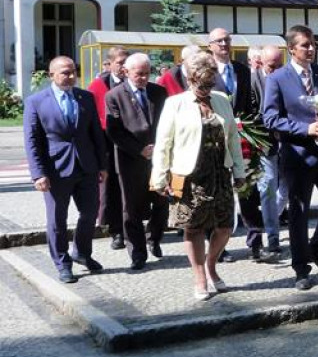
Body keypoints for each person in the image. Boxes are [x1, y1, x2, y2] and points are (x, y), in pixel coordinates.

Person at [150, 52, 246, 300]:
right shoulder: (175, 103)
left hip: (219, 173)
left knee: (225, 227)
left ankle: (211, 265)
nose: (206, 89)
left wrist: (239, 170)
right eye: (201, 84)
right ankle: (199, 276)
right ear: (189, 79)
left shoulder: (222, 99)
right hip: (189, 175)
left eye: (210, 83)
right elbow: (163, 143)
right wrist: (160, 178)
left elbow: (233, 138)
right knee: (193, 228)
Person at [262, 25, 318, 290]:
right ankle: (301, 268)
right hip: (297, 154)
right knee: (299, 210)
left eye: (313, 44)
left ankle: (317, 247)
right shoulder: (278, 79)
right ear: (291, 49)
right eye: (305, 45)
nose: (311, 49)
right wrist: (304, 129)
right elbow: (270, 117)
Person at [24, 57, 108, 283]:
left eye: (73, 72)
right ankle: (62, 263)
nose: (70, 76)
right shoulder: (37, 102)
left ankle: (81, 253)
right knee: (57, 220)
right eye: (65, 72)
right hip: (55, 171)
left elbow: (96, 135)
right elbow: (32, 141)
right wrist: (38, 173)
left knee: (90, 213)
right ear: (51, 75)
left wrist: (102, 165)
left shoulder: (85, 97)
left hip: (86, 167)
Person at [105, 53, 169, 270]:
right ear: (126, 72)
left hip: (158, 158)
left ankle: (155, 238)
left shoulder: (159, 92)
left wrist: (159, 148)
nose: (143, 78)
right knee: (130, 209)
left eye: (146, 73)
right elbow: (115, 132)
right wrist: (139, 150)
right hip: (130, 159)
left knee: (161, 202)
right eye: (138, 74)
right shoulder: (114, 96)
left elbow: (167, 123)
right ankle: (137, 253)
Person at [208, 28, 259, 262]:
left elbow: (250, 103)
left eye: (227, 40)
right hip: (216, 140)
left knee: (248, 189)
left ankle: (255, 240)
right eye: (219, 41)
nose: (224, 44)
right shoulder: (206, 72)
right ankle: (219, 246)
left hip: (243, 138)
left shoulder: (242, 70)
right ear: (210, 45)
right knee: (219, 193)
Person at [88, 46, 127, 250]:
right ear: (110, 64)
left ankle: (133, 228)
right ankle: (116, 231)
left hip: (131, 144)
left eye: (125, 62)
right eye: (120, 62)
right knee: (111, 190)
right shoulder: (99, 86)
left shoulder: (136, 81)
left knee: (131, 189)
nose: (123, 67)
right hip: (108, 145)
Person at [251, 44, 286, 259]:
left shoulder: (286, 77)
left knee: (287, 188)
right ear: (261, 63)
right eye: (272, 66)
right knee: (268, 186)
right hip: (265, 143)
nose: (276, 70)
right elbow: (250, 113)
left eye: (280, 65)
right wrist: (273, 128)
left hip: (289, 141)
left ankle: (275, 218)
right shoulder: (253, 81)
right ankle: (272, 237)